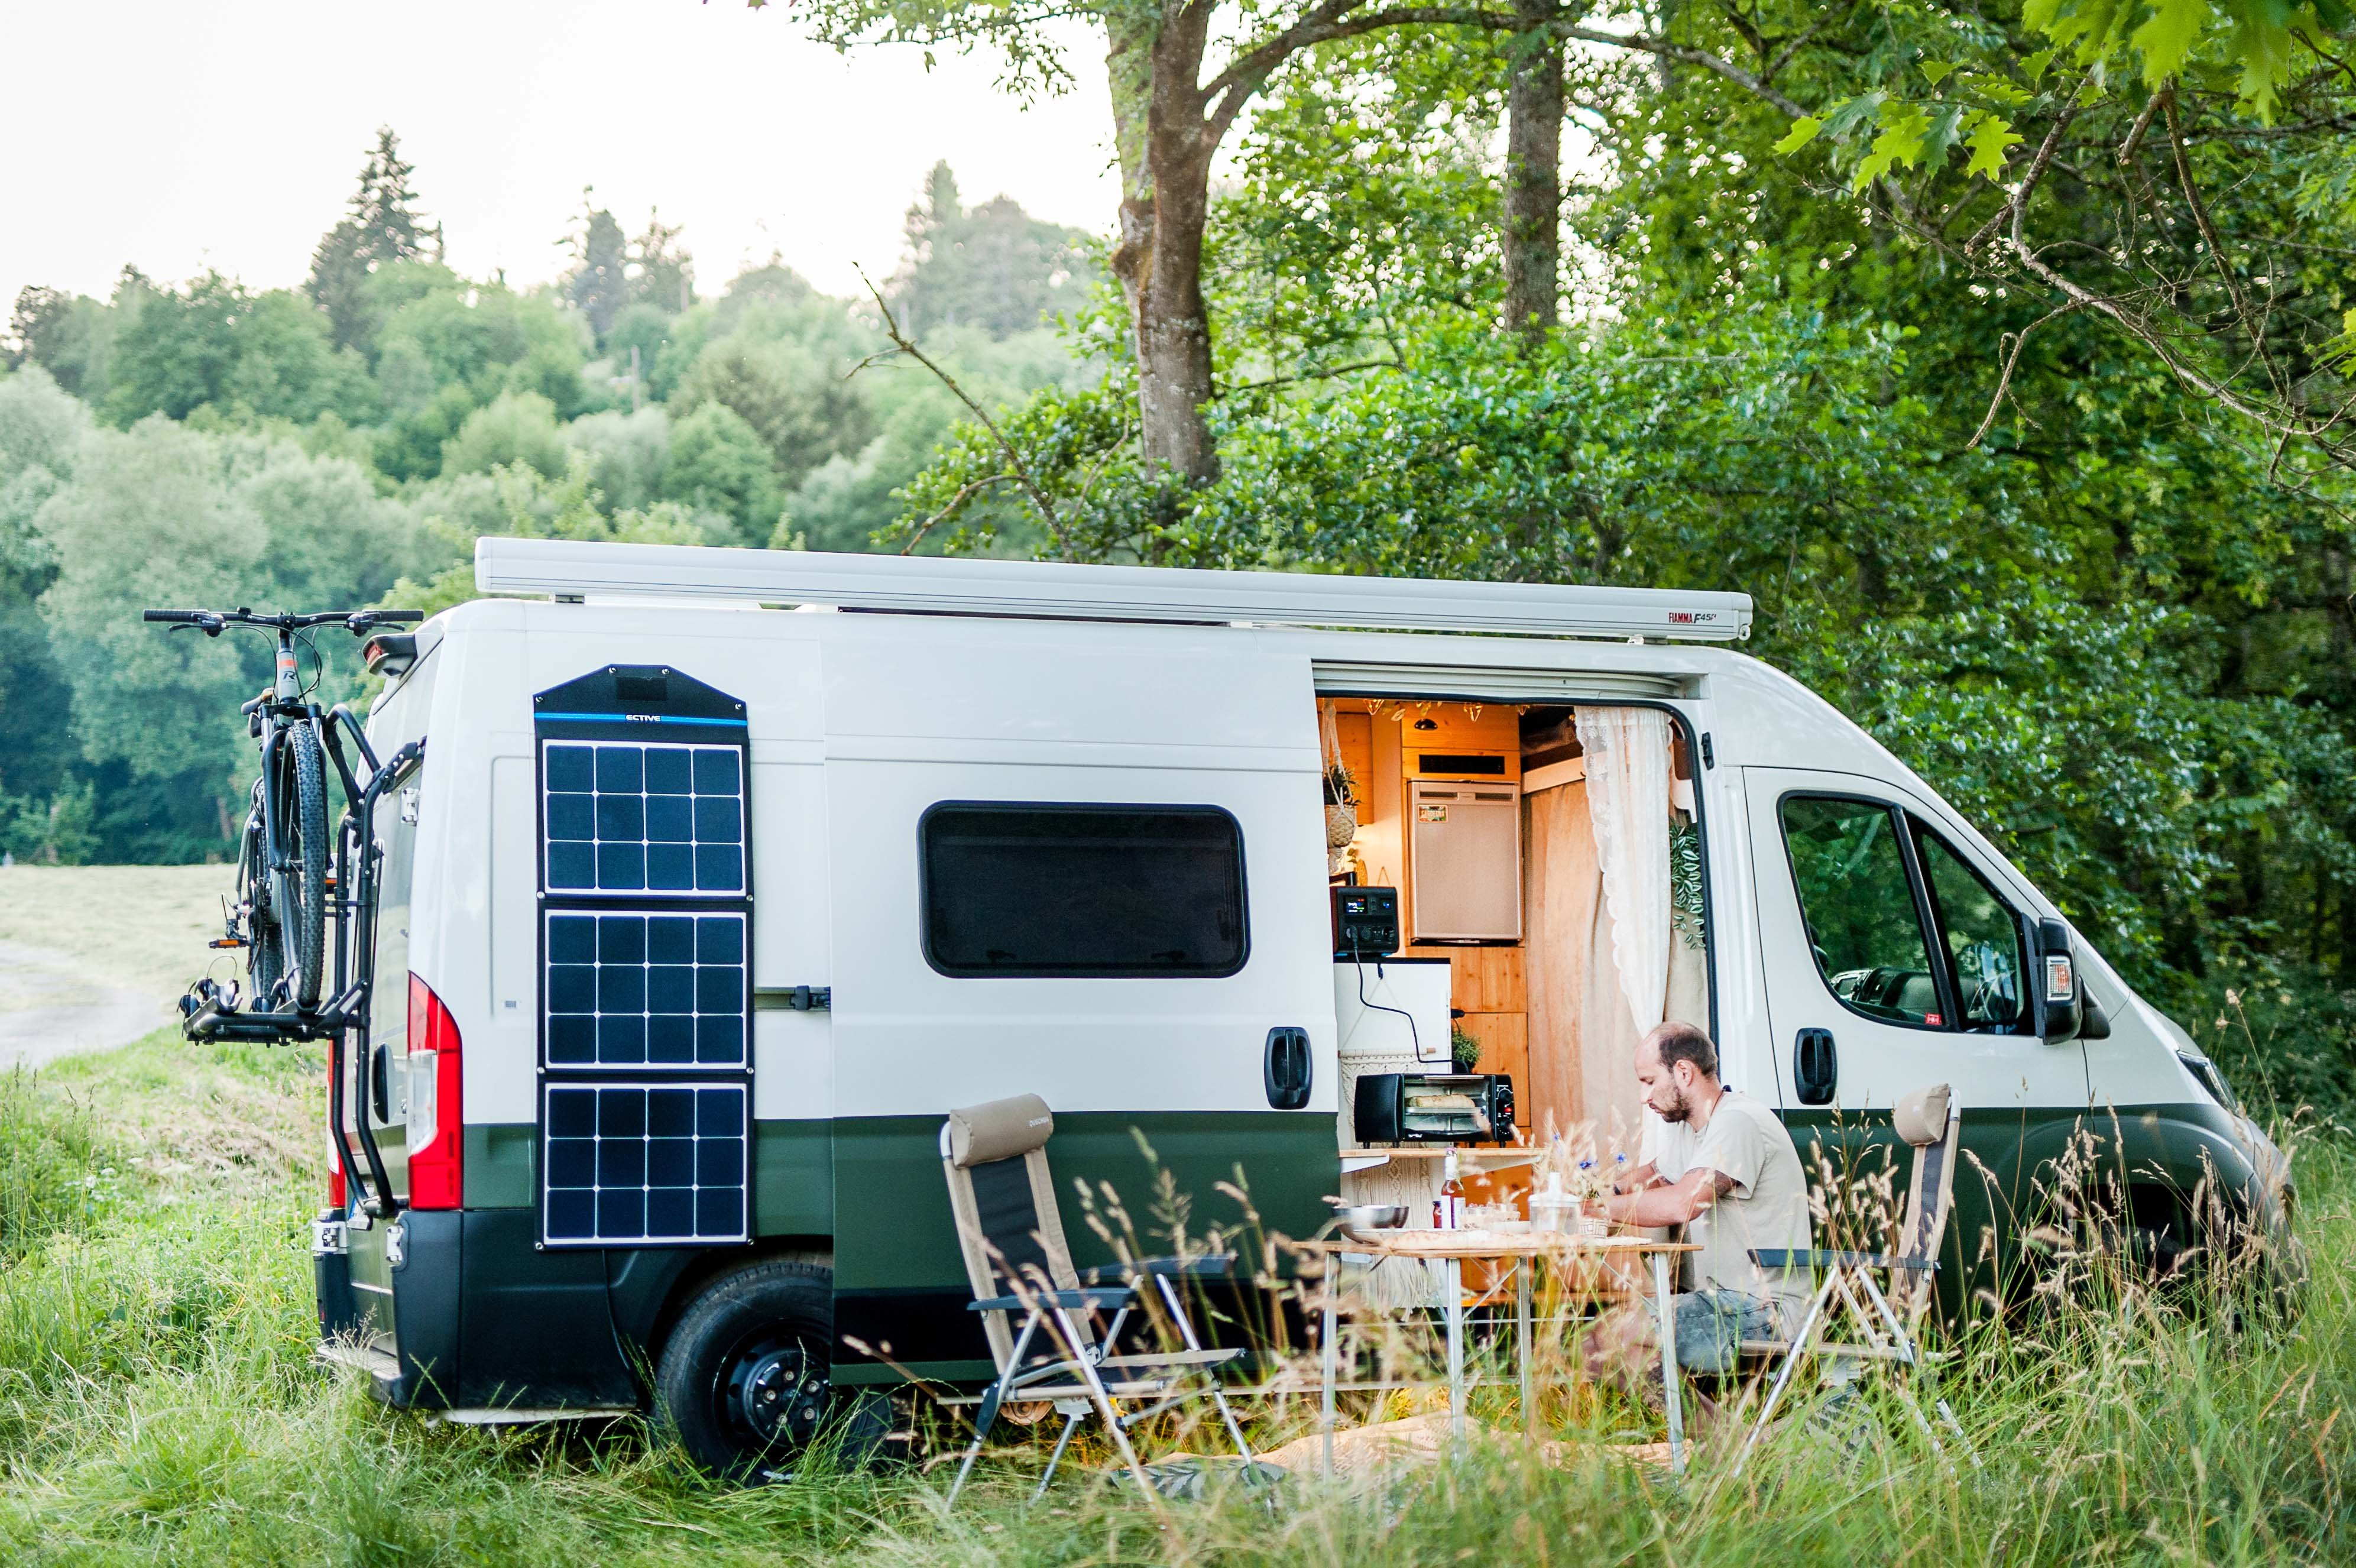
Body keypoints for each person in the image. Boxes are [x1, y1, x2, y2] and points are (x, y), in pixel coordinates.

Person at [1582, 1019, 1812, 1425]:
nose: (1643, 1097)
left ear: (1683, 1072)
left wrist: (1601, 1213)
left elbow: (1684, 1202)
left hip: (1764, 1309)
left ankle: (1726, 1449)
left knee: (1609, 1341)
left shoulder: (1739, 1121)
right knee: (1597, 1343)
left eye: (1649, 1081)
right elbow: (1659, 1173)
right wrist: (1598, 1196)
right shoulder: (1692, 1127)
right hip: (1723, 1301)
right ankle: (1726, 1445)